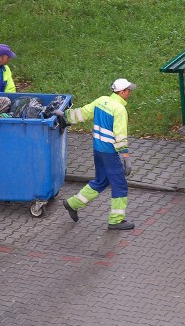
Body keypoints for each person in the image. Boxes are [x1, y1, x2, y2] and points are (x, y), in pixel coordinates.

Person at [55, 78, 137, 230]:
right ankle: (116, 220)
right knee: (119, 184)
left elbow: (83, 113)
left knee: (101, 181)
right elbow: (120, 135)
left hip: (97, 150)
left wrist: (65, 114)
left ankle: (72, 203)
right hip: (109, 152)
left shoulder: (101, 101)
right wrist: (126, 158)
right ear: (121, 92)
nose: (130, 93)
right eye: (128, 90)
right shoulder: (119, 109)